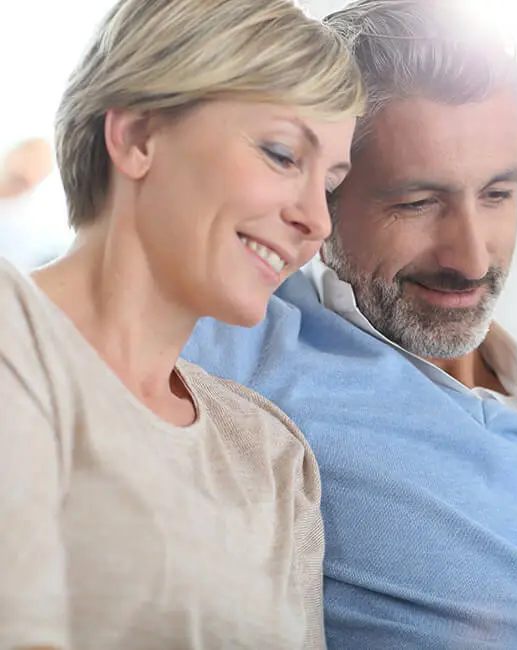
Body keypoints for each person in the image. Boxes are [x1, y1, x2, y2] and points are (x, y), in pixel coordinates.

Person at [184, 0, 517, 648]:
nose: (471, 258)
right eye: (417, 203)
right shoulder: (245, 347)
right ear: (321, 198)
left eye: (497, 195)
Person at [0, 0, 364, 647]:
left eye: (330, 184)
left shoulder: (271, 456)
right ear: (139, 137)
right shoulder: (16, 336)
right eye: (283, 154)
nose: (319, 220)